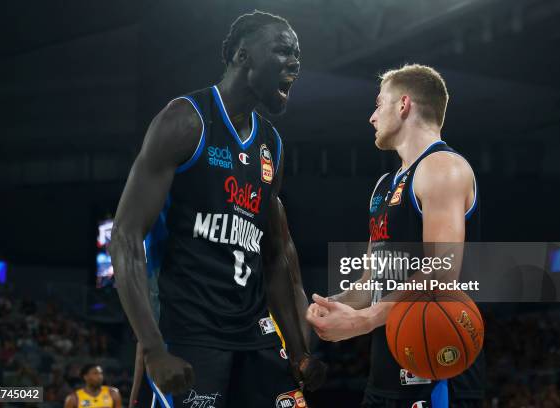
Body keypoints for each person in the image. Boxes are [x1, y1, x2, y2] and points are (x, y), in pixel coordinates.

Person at [110, 10, 326, 408]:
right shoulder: (185, 121)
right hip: (190, 330)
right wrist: (154, 348)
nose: (295, 63)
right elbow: (124, 237)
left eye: (297, 55)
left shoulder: (271, 146)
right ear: (243, 56)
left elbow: (277, 256)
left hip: (254, 332)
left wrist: (298, 350)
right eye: (282, 51)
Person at [306, 64, 484, 407]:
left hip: (437, 369)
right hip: (386, 370)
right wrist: (331, 307)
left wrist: (363, 320)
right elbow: (373, 281)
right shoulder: (383, 186)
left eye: (378, 104)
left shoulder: (443, 167)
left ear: (403, 105)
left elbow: (442, 270)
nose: (372, 117)